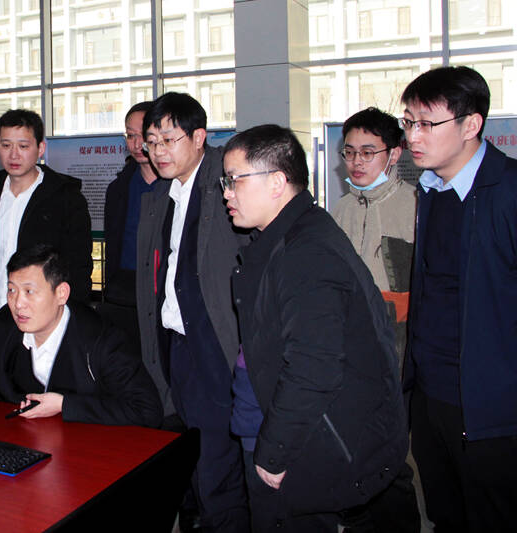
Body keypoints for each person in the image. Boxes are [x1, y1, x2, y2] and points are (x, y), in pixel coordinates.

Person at [222, 124, 409, 532]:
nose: (227, 193)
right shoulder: (286, 236)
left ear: (276, 183)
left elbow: (313, 367)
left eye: (235, 180)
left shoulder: (305, 252)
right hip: (276, 424)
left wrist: (274, 451)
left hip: (300, 442)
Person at [401, 66, 517, 532]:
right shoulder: (431, 190)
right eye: (409, 121)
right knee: (446, 517)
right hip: (432, 400)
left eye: (427, 123)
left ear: (471, 125)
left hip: (494, 411)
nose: (413, 135)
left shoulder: (508, 191)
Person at [135, 92, 249, 532]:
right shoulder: (162, 195)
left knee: (217, 468)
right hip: (176, 347)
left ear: (199, 137)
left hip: (218, 347)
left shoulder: (227, 185)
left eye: (169, 139)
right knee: (194, 462)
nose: (158, 151)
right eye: (151, 141)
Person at [0, 244, 162, 427]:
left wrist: (64, 404)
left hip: (89, 449)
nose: (18, 304)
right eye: (12, 290)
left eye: (29, 291)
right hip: (26, 441)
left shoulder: (102, 339)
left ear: (61, 293)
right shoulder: (6, 324)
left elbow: (147, 409)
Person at [0, 109, 92, 358]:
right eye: (6, 145)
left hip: (42, 325)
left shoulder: (65, 197)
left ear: (40, 148)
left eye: (23, 146)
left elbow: (79, 268)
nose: (14, 154)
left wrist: (73, 326)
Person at [332, 107, 416, 368]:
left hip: (399, 344)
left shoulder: (416, 206)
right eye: (349, 152)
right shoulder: (340, 210)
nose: (356, 162)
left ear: (394, 154)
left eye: (368, 153)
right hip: (347, 339)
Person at [101, 101, 159, 360]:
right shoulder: (119, 188)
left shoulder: (176, 187)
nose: (137, 144)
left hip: (163, 290)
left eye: (144, 135)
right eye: (130, 135)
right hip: (124, 291)